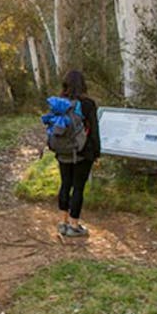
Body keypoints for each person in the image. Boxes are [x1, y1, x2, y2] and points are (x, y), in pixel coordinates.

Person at [55, 69, 100, 237]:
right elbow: (94, 130)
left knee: (65, 184)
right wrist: (96, 153)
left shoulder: (59, 103)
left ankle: (63, 223)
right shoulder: (88, 104)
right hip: (83, 151)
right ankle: (74, 225)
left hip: (63, 151)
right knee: (78, 187)